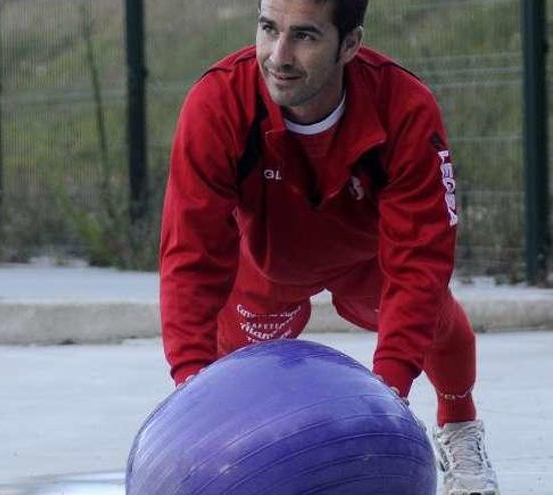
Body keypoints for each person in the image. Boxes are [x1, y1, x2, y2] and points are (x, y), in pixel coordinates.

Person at [158, 1, 500, 493]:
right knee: (226, 373)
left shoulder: (403, 106)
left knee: (437, 321)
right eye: (268, 28)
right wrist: (191, 390)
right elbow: (190, 253)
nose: (279, 55)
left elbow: (420, 260)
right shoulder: (218, 101)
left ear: (350, 45)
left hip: (367, 259)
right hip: (270, 262)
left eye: (305, 36)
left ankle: (460, 424)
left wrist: (389, 394)